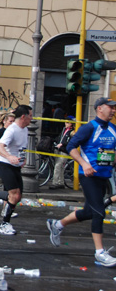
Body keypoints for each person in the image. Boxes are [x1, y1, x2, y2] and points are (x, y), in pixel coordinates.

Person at [47, 98, 116, 267]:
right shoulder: (89, 127)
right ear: (99, 108)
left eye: (115, 108)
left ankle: (57, 225)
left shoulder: (113, 129)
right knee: (99, 212)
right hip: (88, 176)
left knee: (89, 212)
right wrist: (85, 164)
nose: (114, 110)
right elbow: (71, 146)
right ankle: (99, 253)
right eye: (110, 107)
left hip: (104, 176)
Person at [0, 105, 32, 235]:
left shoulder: (24, 129)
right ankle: (4, 224)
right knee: (14, 195)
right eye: (30, 115)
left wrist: (22, 159)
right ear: (24, 117)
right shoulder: (11, 130)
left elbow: (21, 148)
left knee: (18, 196)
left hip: (15, 166)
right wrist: (9, 157)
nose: (32, 118)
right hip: (4, 165)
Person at [50, 116, 75, 189]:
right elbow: (60, 138)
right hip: (60, 149)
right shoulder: (65, 130)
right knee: (60, 167)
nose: (65, 123)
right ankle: (60, 182)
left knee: (58, 166)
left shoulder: (72, 132)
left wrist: (62, 144)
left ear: (71, 123)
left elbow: (69, 142)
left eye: (67, 122)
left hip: (64, 151)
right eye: (65, 122)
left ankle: (55, 182)